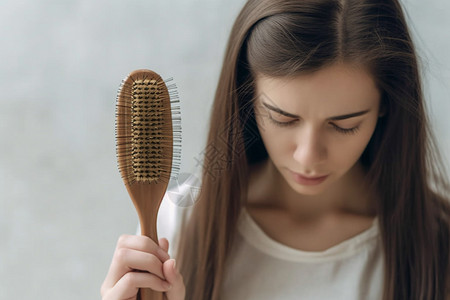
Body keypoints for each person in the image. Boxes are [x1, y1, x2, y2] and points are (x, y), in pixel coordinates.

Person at [101, 0, 450, 299]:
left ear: (387, 104)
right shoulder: (181, 219)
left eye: (344, 125)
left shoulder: (437, 244)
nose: (308, 156)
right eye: (283, 118)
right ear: (248, 98)